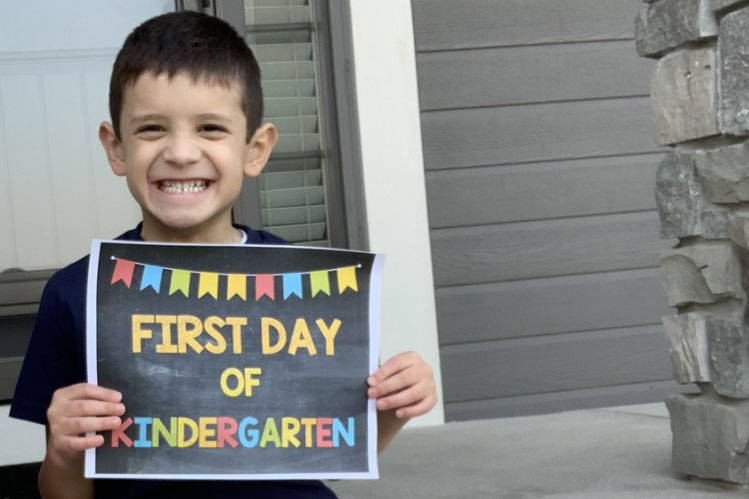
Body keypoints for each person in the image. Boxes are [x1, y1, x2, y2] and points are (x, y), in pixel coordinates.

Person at [10, 10, 436, 499]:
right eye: (151, 129)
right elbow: (63, 494)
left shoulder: (310, 286)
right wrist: (64, 451)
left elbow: (332, 456)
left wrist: (392, 406)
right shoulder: (74, 294)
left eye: (210, 128)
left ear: (255, 149)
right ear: (116, 147)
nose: (182, 152)